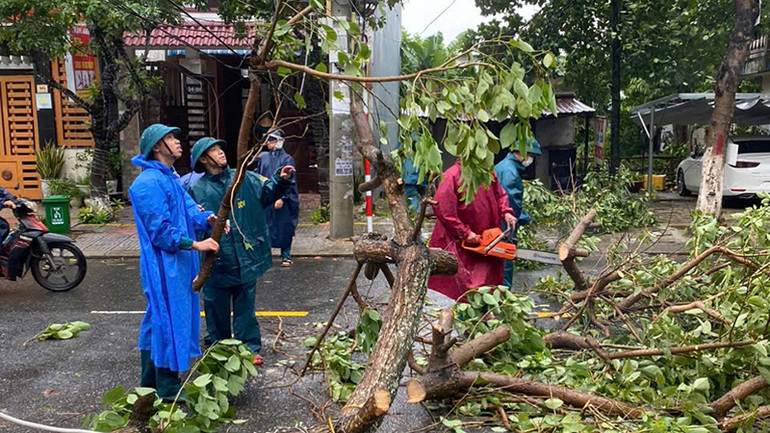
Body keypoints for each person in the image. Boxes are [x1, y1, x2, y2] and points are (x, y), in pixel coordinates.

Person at [128, 124, 221, 401]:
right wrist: (196, 244)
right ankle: (166, 388)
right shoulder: (147, 184)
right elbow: (160, 231)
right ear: (156, 146)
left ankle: (150, 386)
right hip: (163, 266)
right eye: (169, 138)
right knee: (166, 321)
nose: (177, 142)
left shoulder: (169, 178)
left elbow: (189, 209)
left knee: (160, 320)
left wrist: (208, 219)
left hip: (178, 263)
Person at [188, 136, 296, 365]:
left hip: (246, 258)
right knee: (216, 309)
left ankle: (248, 348)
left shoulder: (241, 178)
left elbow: (266, 192)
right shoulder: (196, 189)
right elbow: (191, 221)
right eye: (214, 150)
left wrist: (281, 179)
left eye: (220, 148)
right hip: (216, 261)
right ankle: (219, 349)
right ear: (203, 159)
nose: (221, 152)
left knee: (246, 308)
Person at [428, 158, 516, 301]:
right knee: (460, 288)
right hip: (459, 241)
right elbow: (443, 209)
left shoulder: (487, 173)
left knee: (488, 284)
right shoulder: (452, 175)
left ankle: (484, 309)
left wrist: (506, 211)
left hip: (487, 237)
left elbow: (499, 194)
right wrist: (464, 232)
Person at [494, 138, 542, 287]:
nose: (531, 160)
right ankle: (504, 293)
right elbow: (510, 204)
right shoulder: (510, 173)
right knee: (505, 259)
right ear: (522, 152)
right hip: (504, 224)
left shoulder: (503, 166)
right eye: (531, 156)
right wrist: (524, 217)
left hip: (497, 220)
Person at [256, 129, 299, 267]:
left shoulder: (287, 159)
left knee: (285, 228)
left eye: (271, 140)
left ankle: (286, 256)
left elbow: (290, 180)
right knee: (265, 227)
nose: (268, 143)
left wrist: (282, 197)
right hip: (267, 197)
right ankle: (265, 256)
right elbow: (259, 177)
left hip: (283, 200)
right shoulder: (263, 158)